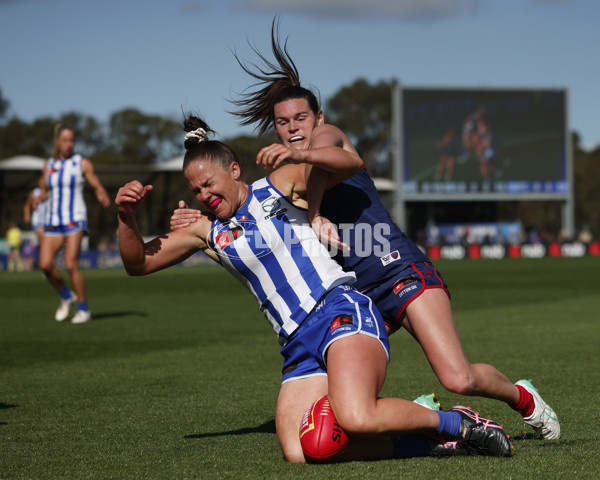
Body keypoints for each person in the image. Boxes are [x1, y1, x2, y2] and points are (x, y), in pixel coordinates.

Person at [171, 19, 559, 442]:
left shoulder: (329, 136)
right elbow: (256, 238)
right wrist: (204, 230)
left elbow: (335, 158)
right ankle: (424, 417)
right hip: (355, 291)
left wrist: (304, 165)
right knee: (350, 403)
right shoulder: (287, 173)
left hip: (396, 269)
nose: (293, 127)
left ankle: (523, 398)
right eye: (283, 123)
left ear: (318, 116)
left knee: (458, 376)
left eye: (301, 117)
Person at [116, 116, 511, 463]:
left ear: (234, 170)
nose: (204, 195)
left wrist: (302, 155)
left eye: (208, 183)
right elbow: (138, 263)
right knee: (303, 452)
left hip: (339, 312)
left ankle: (457, 423)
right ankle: (431, 444)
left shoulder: (276, 187)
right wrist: (125, 216)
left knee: (357, 416)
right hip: (295, 345)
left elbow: (350, 163)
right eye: (196, 190)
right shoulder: (205, 230)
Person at [39, 123, 111, 323]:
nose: (69, 144)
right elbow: (44, 189)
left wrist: (101, 193)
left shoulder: (82, 163)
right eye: (65, 140)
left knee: (71, 263)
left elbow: (95, 184)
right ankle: (66, 296)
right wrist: (40, 198)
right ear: (57, 141)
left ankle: (83, 309)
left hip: (75, 218)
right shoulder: (49, 165)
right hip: (53, 220)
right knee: (45, 265)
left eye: (72, 140)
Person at [23, 179, 48, 245]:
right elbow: (27, 205)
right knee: (44, 239)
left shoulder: (51, 191)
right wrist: (27, 215)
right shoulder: (34, 193)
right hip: (38, 219)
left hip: (48, 220)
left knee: (47, 240)